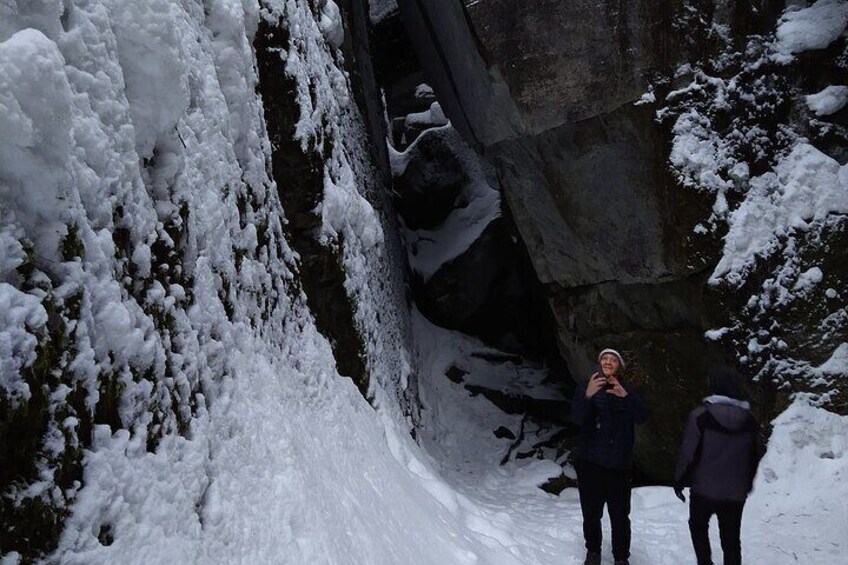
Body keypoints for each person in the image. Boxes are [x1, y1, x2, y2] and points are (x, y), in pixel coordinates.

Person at [673, 367, 761, 565]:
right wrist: (747, 483)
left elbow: (688, 452)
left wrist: (679, 480)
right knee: (731, 537)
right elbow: (754, 455)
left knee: (698, 527)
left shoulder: (700, 415)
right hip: (735, 491)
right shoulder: (750, 419)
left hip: (704, 489)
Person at [571, 348, 649, 565]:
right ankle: (593, 552)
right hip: (590, 463)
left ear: (619, 366)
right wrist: (587, 395)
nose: (608, 362)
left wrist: (627, 396)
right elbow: (576, 418)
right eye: (604, 358)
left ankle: (621, 558)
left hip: (619, 465)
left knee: (620, 517)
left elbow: (642, 417)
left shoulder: (629, 390)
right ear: (598, 363)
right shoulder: (586, 386)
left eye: (613, 359)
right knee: (591, 513)